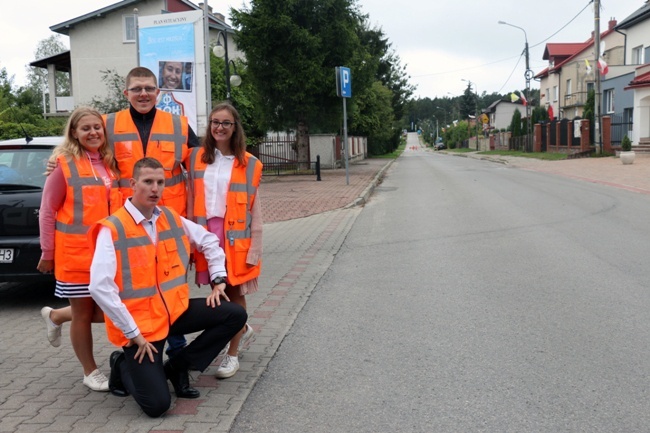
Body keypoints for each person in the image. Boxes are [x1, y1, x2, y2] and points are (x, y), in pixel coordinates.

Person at [45, 66, 199, 361]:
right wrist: (57, 162)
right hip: (126, 227)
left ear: (158, 92)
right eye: (137, 88)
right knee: (132, 293)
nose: (143, 94)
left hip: (166, 223)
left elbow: (203, 164)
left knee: (170, 284)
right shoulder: (108, 123)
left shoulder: (179, 126)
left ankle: (176, 352)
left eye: (149, 88)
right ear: (125, 93)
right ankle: (135, 353)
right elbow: (81, 145)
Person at [88, 157, 247, 418]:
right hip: (141, 327)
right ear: (133, 183)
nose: (155, 188)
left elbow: (208, 240)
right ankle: (121, 365)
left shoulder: (170, 218)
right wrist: (133, 334)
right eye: (148, 181)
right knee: (157, 406)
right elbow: (99, 287)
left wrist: (218, 280)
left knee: (234, 314)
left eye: (160, 182)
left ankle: (176, 366)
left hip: (174, 312)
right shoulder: (114, 228)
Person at [38, 106, 122, 391]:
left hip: (107, 253)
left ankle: (56, 315)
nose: (93, 132)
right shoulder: (64, 164)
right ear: (74, 132)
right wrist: (47, 252)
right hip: (75, 254)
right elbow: (47, 211)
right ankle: (90, 371)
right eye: (85, 128)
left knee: (112, 309)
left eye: (97, 127)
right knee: (84, 313)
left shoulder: (110, 163)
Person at [186, 102, 263, 379]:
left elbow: (256, 211)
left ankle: (232, 355)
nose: (219, 127)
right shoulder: (195, 157)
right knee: (220, 291)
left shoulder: (250, 163)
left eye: (226, 123)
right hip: (206, 234)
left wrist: (255, 247)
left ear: (235, 127)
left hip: (235, 238)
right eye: (215, 122)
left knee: (234, 293)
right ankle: (240, 330)